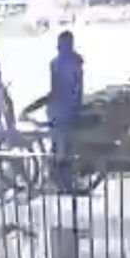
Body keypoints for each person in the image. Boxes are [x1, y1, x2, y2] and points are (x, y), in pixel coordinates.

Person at [22, 30, 84, 191]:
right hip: (65, 107)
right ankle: (62, 176)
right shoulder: (75, 62)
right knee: (61, 139)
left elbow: (56, 90)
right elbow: (75, 89)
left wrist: (35, 105)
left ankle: (61, 174)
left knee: (59, 140)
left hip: (61, 108)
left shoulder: (60, 63)